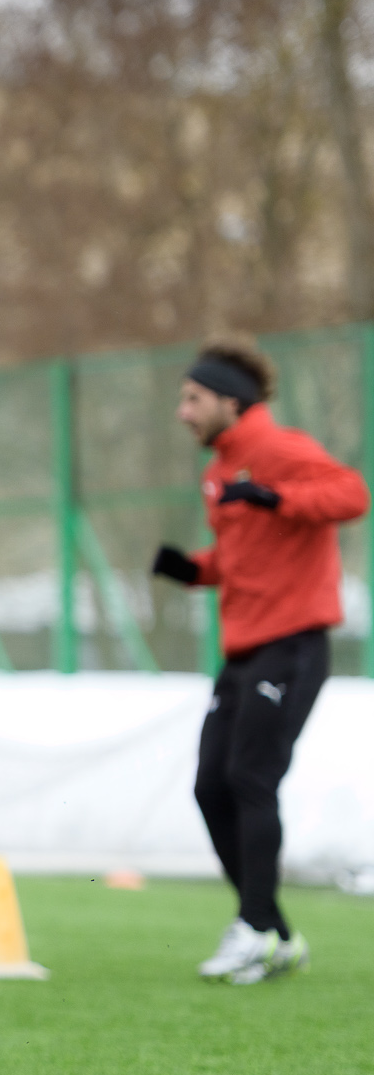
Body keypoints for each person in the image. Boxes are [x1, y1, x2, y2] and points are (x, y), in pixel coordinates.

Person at [153, 337, 368, 984]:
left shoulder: (280, 449)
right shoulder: (219, 473)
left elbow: (352, 494)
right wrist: (193, 569)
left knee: (251, 777)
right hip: (244, 650)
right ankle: (270, 929)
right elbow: (242, 557)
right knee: (209, 786)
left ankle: (255, 928)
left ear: (230, 401)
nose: (182, 412)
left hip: (294, 644)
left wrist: (278, 497)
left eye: (193, 399)